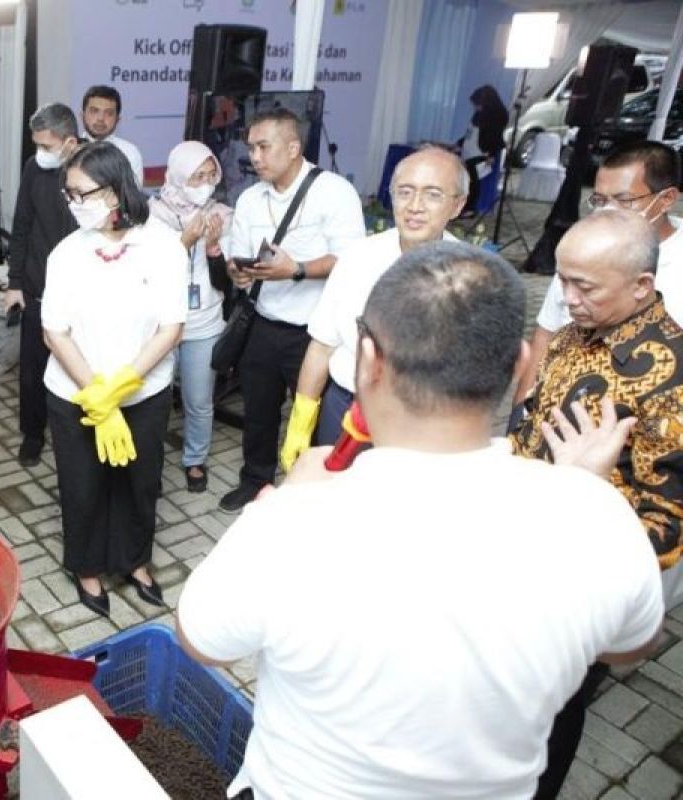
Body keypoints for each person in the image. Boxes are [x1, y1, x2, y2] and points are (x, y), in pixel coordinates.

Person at [179, 240, 663, 799]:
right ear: (520, 366)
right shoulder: (596, 516)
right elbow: (629, 645)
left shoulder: (291, 526)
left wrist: (288, 498)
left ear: (366, 361)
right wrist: (578, 492)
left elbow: (201, 640)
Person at [510, 209, 683, 799]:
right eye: (563, 279)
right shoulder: (570, 334)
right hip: (518, 547)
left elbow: (665, 525)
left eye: (586, 286)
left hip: (578, 578)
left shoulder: (673, 374)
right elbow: (530, 423)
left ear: (641, 285)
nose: (567, 297)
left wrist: (580, 500)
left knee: (557, 703)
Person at [42, 141, 188, 616]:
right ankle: (86, 567)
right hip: (75, 393)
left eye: (82, 194)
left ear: (116, 190)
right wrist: (96, 394)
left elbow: (171, 328)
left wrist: (122, 385)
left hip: (144, 392)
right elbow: (54, 332)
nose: (73, 204)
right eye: (70, 195)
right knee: (82, 483)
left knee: (138, 482)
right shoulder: (66, 253)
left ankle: (135, 561)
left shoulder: (163, 245)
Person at [280, 146, 467, 469]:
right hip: (346, 406)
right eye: (404, 192)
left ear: (457, 205)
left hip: (424, 419)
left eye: (433, 195)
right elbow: (321, 347)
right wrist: (301, 420)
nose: (415, 206)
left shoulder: (472, 274)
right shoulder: (357, 258)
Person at [216, 107, 365, 513]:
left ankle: (307, 492)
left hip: (315, 334)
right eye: (252, 148)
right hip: (262, 323)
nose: (255, 157)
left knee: (310, 417)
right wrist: (238, 271)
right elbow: (237, 250)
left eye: (264, 147)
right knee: (259, 411)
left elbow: (351, 259)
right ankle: (255, 481)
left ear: (294, 147)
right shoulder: (249, 197)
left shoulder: (333, 191)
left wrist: (296, 269)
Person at [513, 141, 683, 405]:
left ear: (666, 199)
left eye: (624, 200)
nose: (608, 212)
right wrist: (517, 416)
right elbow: (545, 336)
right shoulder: (586, 246)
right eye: (600, 201)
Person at [148, 140, 233, 492]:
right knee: (152, 397)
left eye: (211, 175)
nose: (206, 184)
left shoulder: (223, 215)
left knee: (198, 399)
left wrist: (213, 248)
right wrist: (184, 241)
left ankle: (195, 459)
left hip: (205, 322)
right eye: (198, 176)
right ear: (180, 176)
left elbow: (228, 282)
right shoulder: (153, 215)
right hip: (161, 323)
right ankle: (147, 458)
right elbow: (148, 273)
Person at [5, 103, 80, 467]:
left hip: (81, 295)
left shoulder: (92, 172)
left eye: (47, 146)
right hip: (38, 287)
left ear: (70, 143)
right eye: (36, 145)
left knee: (79, 367)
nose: (40, 153)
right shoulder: (34, 168)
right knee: (33, 370)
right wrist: (14, 282)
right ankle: (33, 434)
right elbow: (21, 225)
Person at [80, 85, 144, 186]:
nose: (100, 118)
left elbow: (132, 197)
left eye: (108, 113)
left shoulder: (129, 152)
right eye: (94, 111)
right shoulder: (71, 150)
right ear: (82, 116)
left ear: (117, 120)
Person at [459, 85, 508, 215]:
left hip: (482, 152)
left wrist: (491, 154)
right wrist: (459, 143)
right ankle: (466, 206)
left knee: (474, 182)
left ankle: (471, 208)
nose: (475, 108)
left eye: (477, 104)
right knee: (468, 180)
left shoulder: (497, 116)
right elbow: (470, 132)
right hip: (470, 150)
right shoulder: (479, 114)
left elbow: (495, 137)